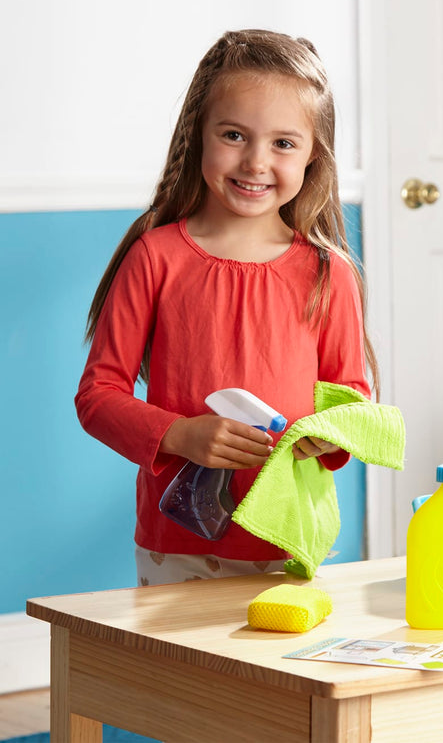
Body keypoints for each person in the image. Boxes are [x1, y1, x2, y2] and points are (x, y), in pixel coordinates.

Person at [75, 29, 379, 586]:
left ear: (314, 155)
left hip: (287, 537)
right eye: (235, 134)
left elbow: (351, 398)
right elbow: (98, 396)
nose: (256, 161)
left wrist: (328, 434)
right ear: (200, 135)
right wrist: (180, 434)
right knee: (180, 674)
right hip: (179, 540)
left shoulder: (328, 272)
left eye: (284, 143)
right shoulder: (154, 257)